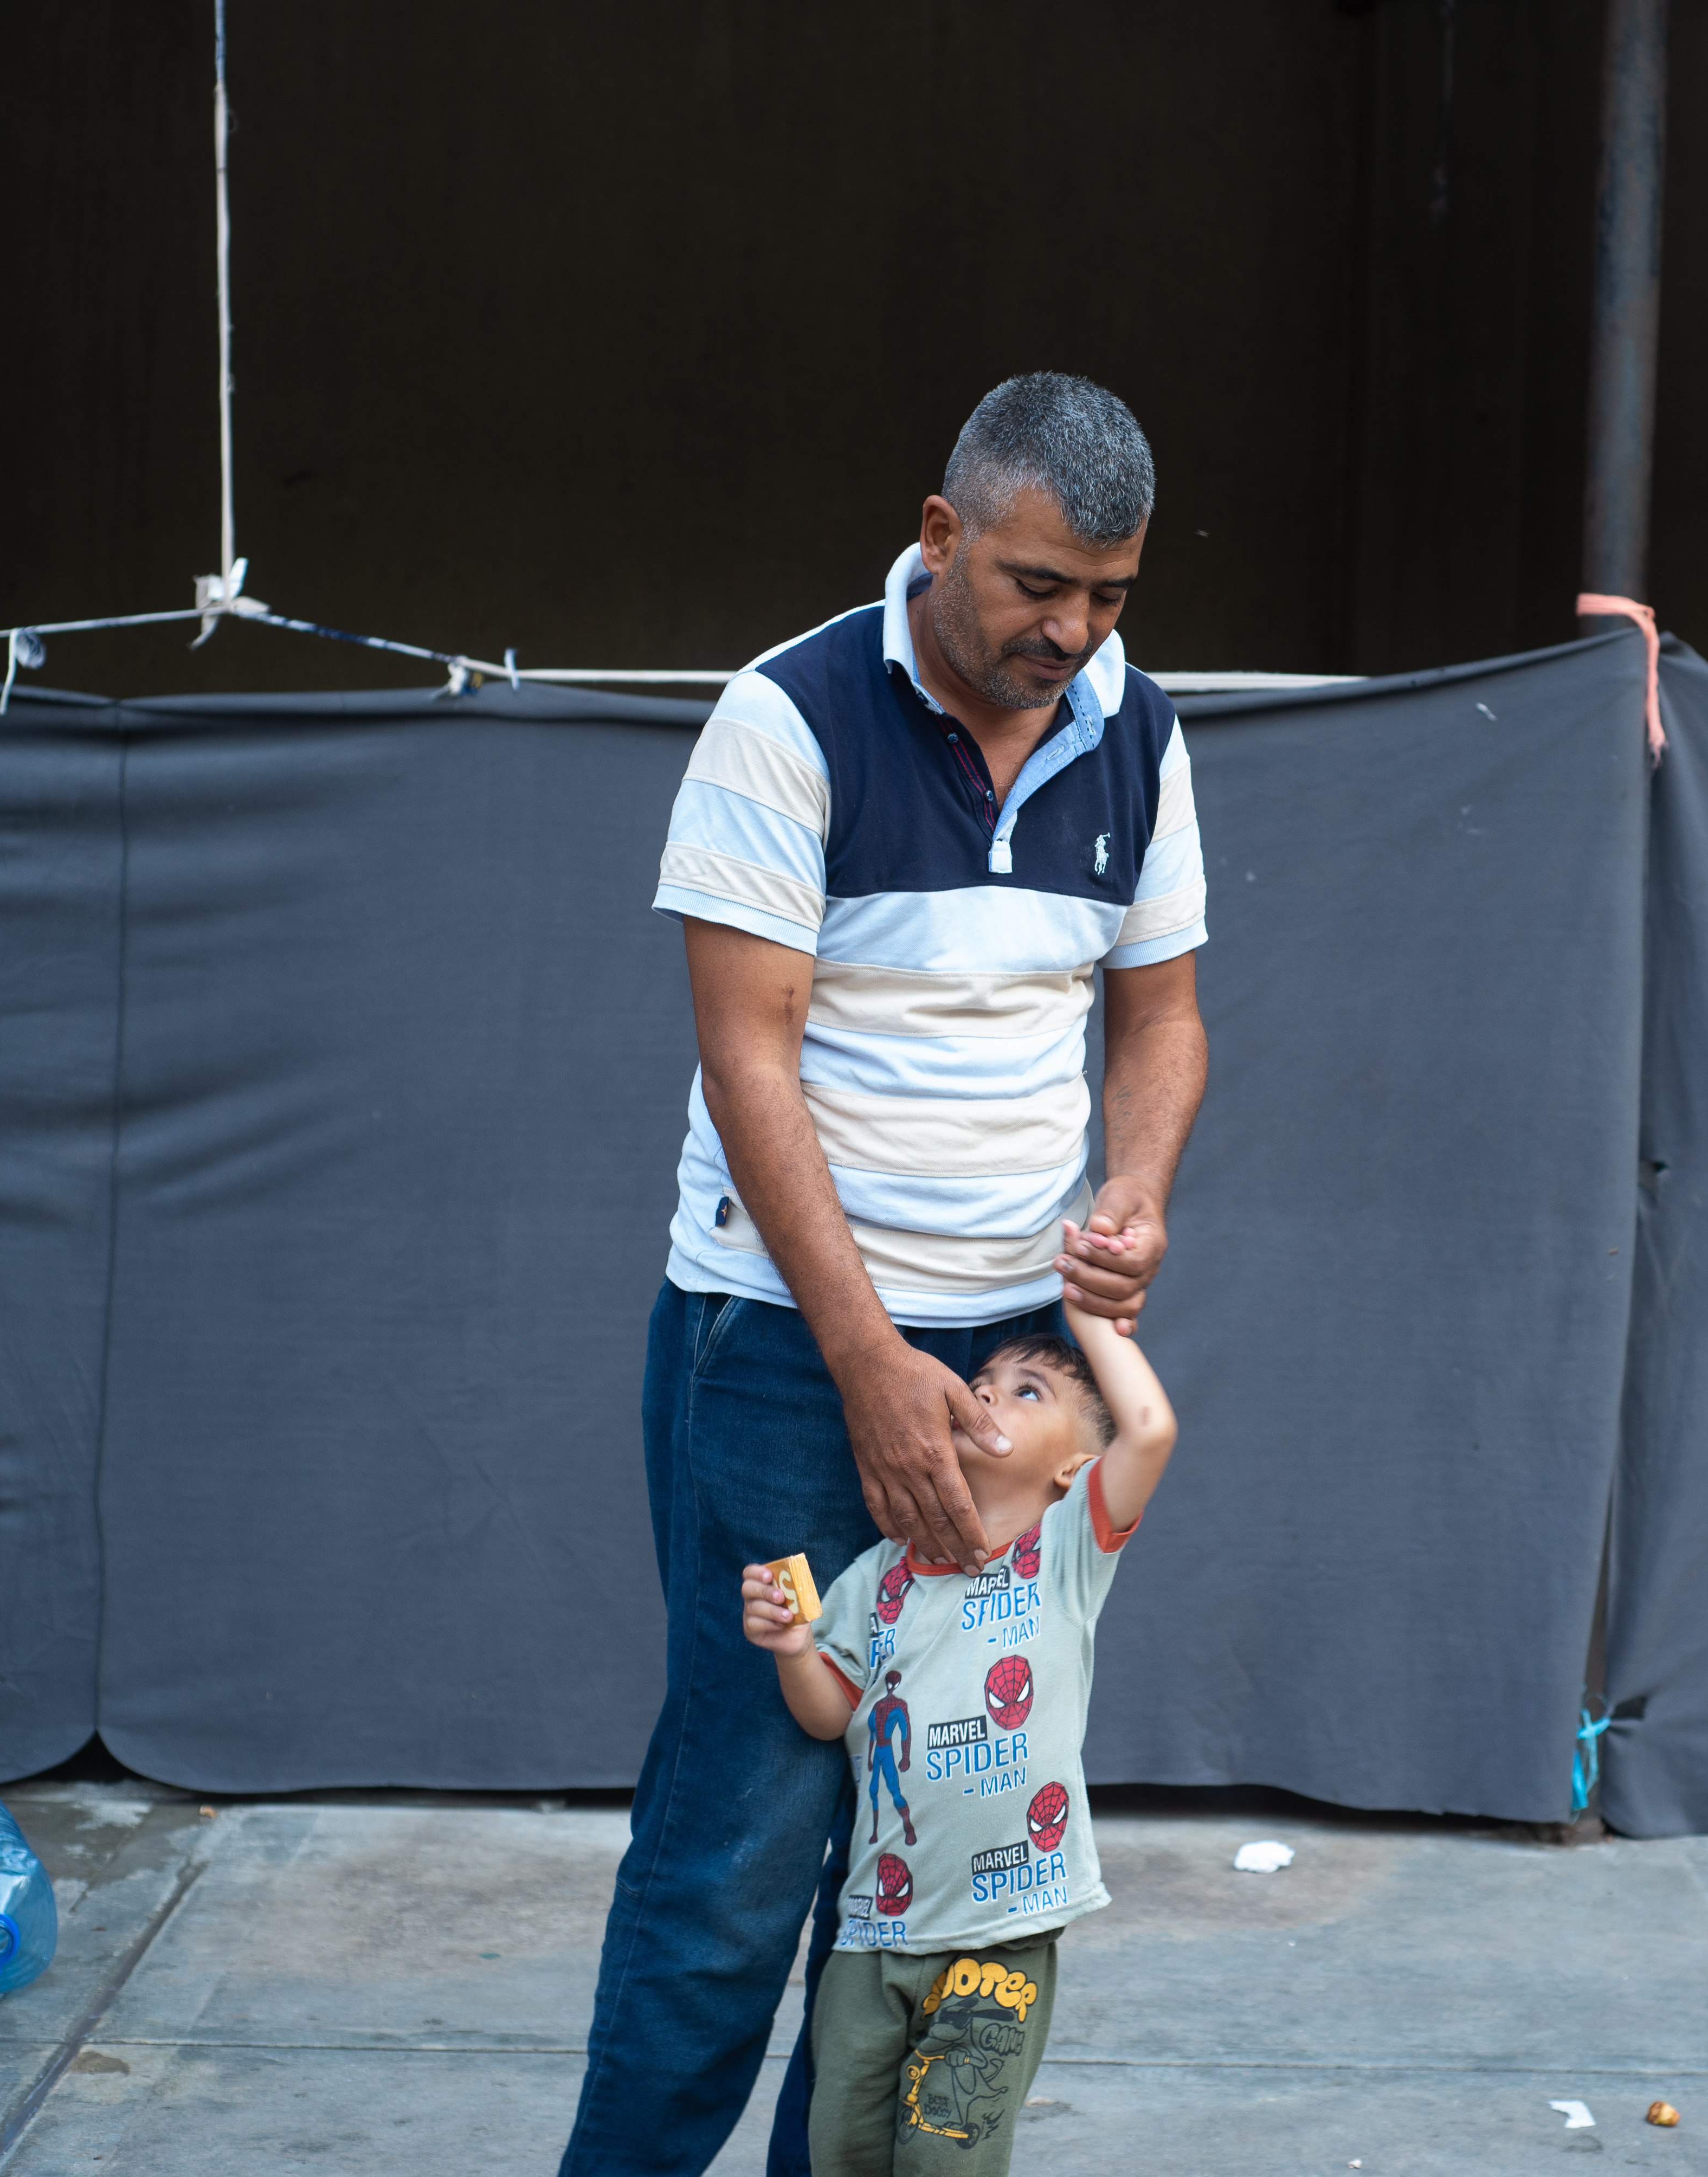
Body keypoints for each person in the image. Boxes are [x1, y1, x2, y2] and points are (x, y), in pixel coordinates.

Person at [560, 375, 1208, 2177]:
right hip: (782, 1350)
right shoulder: (789, 718)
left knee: (925, 1861)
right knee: (741, 1849)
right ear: (938, 538)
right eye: (1033, 586)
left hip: (1010, 1356)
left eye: (1109, 596)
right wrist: (862, 1360)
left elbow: (1158, 1016)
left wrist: (1133, 1189)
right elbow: (745, 1055)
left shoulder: (1135, 732)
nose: (1069, 633)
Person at [737, 1282, 1177, 2172]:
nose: (986, 1392)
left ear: (1071, 1472)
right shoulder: (874, 1577)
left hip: (1001, 1935)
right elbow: (829, 1716)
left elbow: (1151, 1433)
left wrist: (1090, 1320)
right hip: (872, 1932)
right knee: (844, 2151)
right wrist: (790, 1645)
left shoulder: (1064, 1553)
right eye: (983, 1380)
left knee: (948, 2160)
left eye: (1027, 1392)